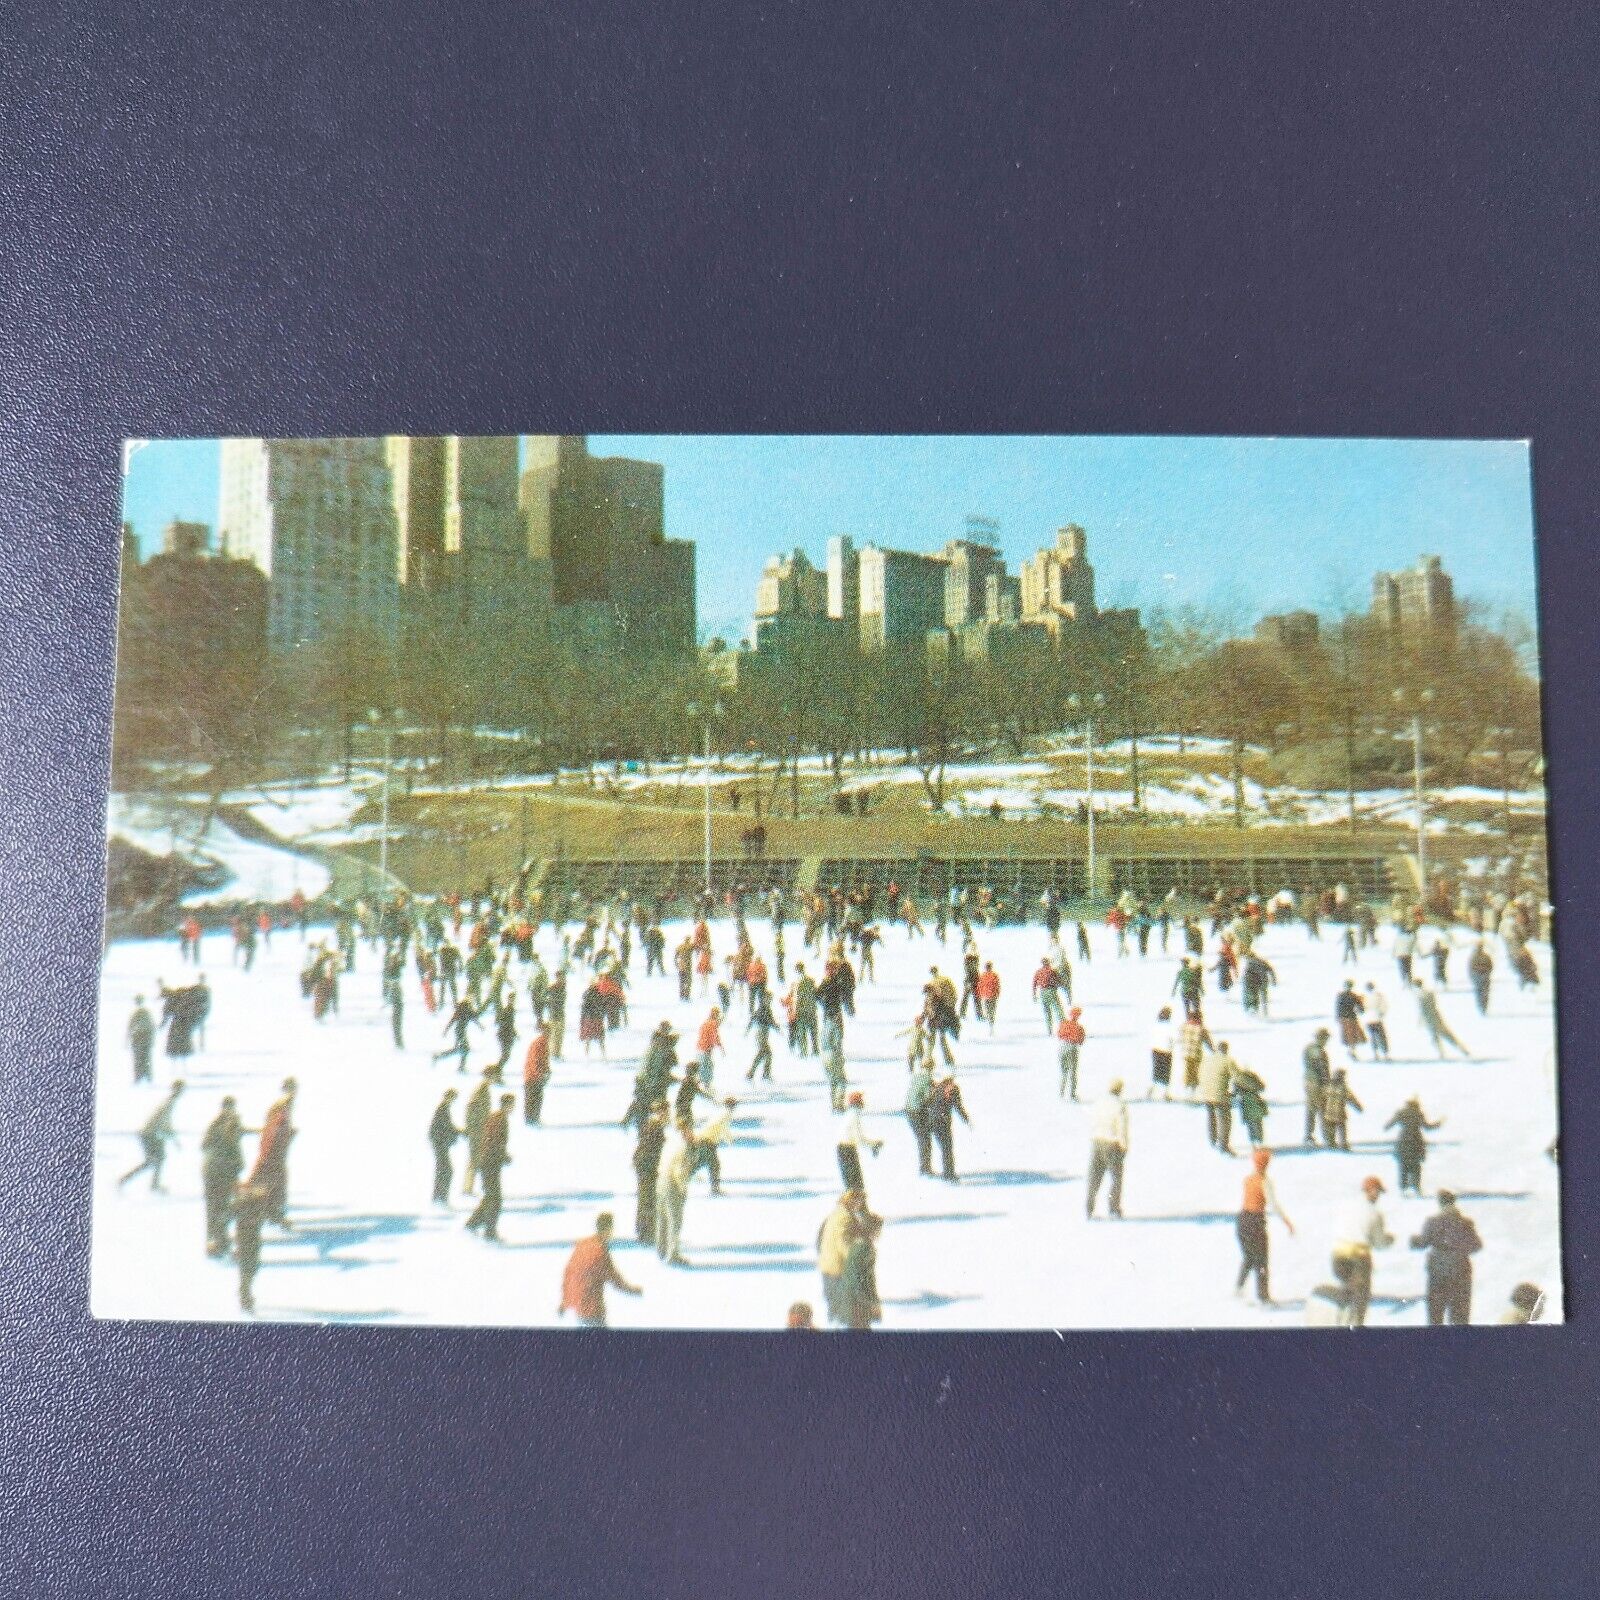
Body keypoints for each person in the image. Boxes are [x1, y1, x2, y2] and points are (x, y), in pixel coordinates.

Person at [1411, 1191, 1483, 1326]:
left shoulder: (1432, 1222)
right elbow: (1477, 1246)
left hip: (1437, 1272)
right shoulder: (1466, 1223)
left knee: (1435, 1315)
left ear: (1440, 1204)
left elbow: (1422, 1243)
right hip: (1461, 1271)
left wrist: (1413, 1240)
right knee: (1460, 1317)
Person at [558, 1213, 642, 1327]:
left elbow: (569, 1273)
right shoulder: (600, 1252)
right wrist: (634, 1290)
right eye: (612, 1228)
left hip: (579, 1308)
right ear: (608, 1229)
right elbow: (615, 1278)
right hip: (593, 1309)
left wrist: (564, 1302)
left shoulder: (582, 1244)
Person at [1331, 1175, 1394, 1327]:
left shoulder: (1345, 1205)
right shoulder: (1374, 1213)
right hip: (1359, 1256)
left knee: (1346, 1289)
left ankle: (1340, 1320)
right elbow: (1380, 1243)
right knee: (1361, 1294)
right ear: (1371, 1191)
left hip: (1338, 1255)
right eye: (1378, 1192)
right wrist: (1389, 1240)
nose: (1378, 1196)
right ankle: (1357, 1325)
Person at [1235, 1147, 1293, 1305]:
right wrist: (1287, 1222)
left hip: (1242, 1220)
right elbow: (1273, 1205)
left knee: (1249, 1256)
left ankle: (1239, 1287)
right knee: (1261, 1259)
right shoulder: (1265, 1182)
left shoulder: (1248, 1179)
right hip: (1255, 1221)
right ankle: (1263, 1296)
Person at [119, 1079, 185, 1192]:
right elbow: (164, 1123)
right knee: (154, 1160)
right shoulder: (169, 1103)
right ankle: (126, 1180)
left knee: (156, 1160)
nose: (181, 1092)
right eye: (181, 1090)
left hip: (152, 1134)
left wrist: (172, 1138)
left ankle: (150, 1184)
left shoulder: (169, 1101)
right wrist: (173, 1139)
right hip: (150, 1134)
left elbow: (165, 1123)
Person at [465, 1093, 515, 1241]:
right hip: (490, 1162)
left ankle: (472, 1224)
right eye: (512, 1105)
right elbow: (493, 1141)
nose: (513, 1108)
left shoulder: (497, 1117)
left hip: (489, 1161)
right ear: (507, 1105)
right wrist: (503, 1156)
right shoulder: (500, 1119)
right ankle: (489, 1232)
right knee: (495, 1198)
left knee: (490, 1196)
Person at [198, 1095, 244, 1256]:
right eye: (229, 1108)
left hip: (212, 1171)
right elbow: (232, 1147)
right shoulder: (229, 1124)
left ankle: (217, 1243)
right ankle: (218, 1244)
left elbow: (204, 1145)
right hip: (220, 1172)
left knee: (215, 1208)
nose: (230, 1111)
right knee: (224, 1208)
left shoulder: (216, 1124)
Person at [1085, 1080, 1129, 1219]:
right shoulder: (1120, 1105)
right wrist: (1124, 1145)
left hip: (1096, 1141)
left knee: (1094, 1178)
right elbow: (1122, 1127)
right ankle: (1113, 1208)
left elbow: (1091, 1120)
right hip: (1112, 1144)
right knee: (1116, 1179)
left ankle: (1089, 1208)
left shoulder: (1099, 1102)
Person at [654, 1117, 695, 1265]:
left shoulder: (670, 1142)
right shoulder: (683, 1147)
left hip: (661, 1181)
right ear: (685, 1130)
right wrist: (683, 1189)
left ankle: (661, 1249)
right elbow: (680, 1172)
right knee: (674, 1220)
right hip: (672, 1184)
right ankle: (673, 1255)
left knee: (662, 1218)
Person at [1385, 1096, 1443, 1195]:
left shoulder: (1401, 1112)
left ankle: (1403, 1189)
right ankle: (1416, 1187)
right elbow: (1427, 1127)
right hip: (1416, 1142)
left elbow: (1389, 1125)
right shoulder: (1418, 1113)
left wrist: (1388, 1126)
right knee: (1416, 1166)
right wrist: (1438, 1124)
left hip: (1403, 1141)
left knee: (1403, 1166)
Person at [839, 1211, 884, 1331]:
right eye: (878, 1229)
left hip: (853, 1298)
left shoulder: (858, 1245)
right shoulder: (865, 1248)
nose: (880, 1233)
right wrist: (871, 1302)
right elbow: (866, 1278)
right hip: (859, 1301)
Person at [632, 1103, 669, 1243]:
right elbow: (652, 1149)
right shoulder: (655, 1126)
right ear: (660, 1111)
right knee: (648, 1199)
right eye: (665, 1112)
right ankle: (646, 1232)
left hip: (645, 1166)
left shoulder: (653, 1124)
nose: (667, 1115)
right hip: (647, 1167)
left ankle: (644, 1230)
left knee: (645, 1199)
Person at [233, 1180, 269, 1314]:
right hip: (246, 1240)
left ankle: (245, 1290)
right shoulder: (244, 1203)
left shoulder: (257, 1202)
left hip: (250, 1240)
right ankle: (245, 1294)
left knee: (251, 1267)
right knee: (249, 1266)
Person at [837, 1091, 883, 1194]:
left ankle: (860, 1208)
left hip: (844, 1149)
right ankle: (859, 1209)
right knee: (855, 1185)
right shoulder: (854, 1116)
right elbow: (859, 1139)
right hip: (847, 1150)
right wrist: (873, 1145)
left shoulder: (850, 1114)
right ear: (858, 1103)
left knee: (853, 1183)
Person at [927, 1073, 971, 1182]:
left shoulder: (936, 1087)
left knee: (944, 1147)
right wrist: (966, 1119)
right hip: (942, 1121)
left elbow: (928, 1102)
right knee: (947, 1148)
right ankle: (949, 1174)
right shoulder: (953, 1089)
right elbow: (958, 1106)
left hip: (932, 1120)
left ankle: (947, 1172)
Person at [1414, 980, 1471, 1059]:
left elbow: (1428, 1007)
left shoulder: (1426, 994)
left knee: (1447, 1036)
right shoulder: (1421, 995)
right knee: (1437, 1038)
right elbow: (1422, 1010)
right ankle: (1443, 1053)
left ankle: (1462, 1050)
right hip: (1430, 1020)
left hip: (1434, 1019)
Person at [1198, 1040, 1236, 1154]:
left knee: (1211, 1116)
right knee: (1224, 1119)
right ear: (1226, 1050)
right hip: (1219, 1095)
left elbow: (1200, 1073)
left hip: (1206, 1093)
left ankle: (1212, 1139)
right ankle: (1223, 1145)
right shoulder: (1227, 1060)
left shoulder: (1207, 1059)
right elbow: (1237, 1077)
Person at [427, 1089, 461, 1204]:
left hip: (439, 1143)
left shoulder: (444, 1108)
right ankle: (441, 1196)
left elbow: (447, 1126)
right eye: (452, 1098)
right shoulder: (442, 1109)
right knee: (446, 1169)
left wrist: (458, 1131)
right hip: (439, 1143)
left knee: (443, 1169)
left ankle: (438, 1196)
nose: (452, 1100)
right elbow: (445, 1126)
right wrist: (457, 1132)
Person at [905, 1058, 935, 1176]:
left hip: (909, 1110)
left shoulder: (916, 1076)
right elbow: (928, 1096)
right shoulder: (927, 1078)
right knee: (925, 1140)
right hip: (918, 1111)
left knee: (921, 1138)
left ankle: (924, 1167)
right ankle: (925, 1168)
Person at [1320, 1069, 1363, 1152]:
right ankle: (1341, 1144)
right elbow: (1351, 1098)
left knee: (1332, 1129)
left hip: (1330, 1113)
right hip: (1339, 1113)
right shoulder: (1343, 1088)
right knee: (1341, 1129)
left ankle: (1332, 1143)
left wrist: (1322, 1107)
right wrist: (1358, 1107)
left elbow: (1322, 1097)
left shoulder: (1328, 1086)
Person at [1302, 1029, 1332, 1146]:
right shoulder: (1318, 1051)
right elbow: (1322, 1069)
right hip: (1317, 1084)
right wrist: (1327, 1083)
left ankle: (1309, 1135)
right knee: (1323, 1110)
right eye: (1325, 1038)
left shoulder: (1308, 1048)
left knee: (1311, 1110)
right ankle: (1327, 1137)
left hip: (1308, 1082)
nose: (1326, 1041)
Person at [522, 1024, 551, 1125]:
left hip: (537, 1076)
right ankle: (530, 1119)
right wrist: (539, 1074)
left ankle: (535, 1118)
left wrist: (547, 1071)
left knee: (538, 1098)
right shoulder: (539, 1043)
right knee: (531, 1098)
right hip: (532, 1076)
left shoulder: (544, 1043)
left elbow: (545, 1060)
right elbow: (534, 1060)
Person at [126, 995, 156, 1084]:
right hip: (140, 1038)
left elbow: (151, 1027)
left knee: (143, 1058)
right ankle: (142, 1077)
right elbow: (130, 1027)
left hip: (143, 1037)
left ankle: (145, 1077)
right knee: (141, 1058)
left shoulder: (142, 1013)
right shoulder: (141, 1013)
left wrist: (127, 1039)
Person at [1149, 1007, 1175, 1100]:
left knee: (1156, 1071)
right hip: (1166, 1051)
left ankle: (1151, 1089)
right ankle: (1166, 1093)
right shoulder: (1169, 1026)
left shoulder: (1156, 1025)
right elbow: (1172, 1039)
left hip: (1156, 1050)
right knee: (1166, 1073)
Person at [1363, 983, 1391, 1060]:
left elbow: (1383, 1006)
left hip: (1372, 1019)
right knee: (1379, 1037)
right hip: (1374, 1019)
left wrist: (1381, 1013)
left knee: (1375, 1037)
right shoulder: (1374, 996)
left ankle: (1378, 1054)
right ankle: (1383, 1054)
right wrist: (1382, 1013)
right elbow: (1384, 1006)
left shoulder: (1367, 997)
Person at [1468, 941, 1494, 1015]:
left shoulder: (1486, 956)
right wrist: (1473, 977)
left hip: (1485, 977)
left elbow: (1491, 966)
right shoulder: (1473, 957)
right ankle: (1481, 1007)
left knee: (1485, 994)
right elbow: (1471, 968)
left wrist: (1487, 974)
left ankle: (1484, 1008)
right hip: (1477, 977)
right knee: (1479, 994)